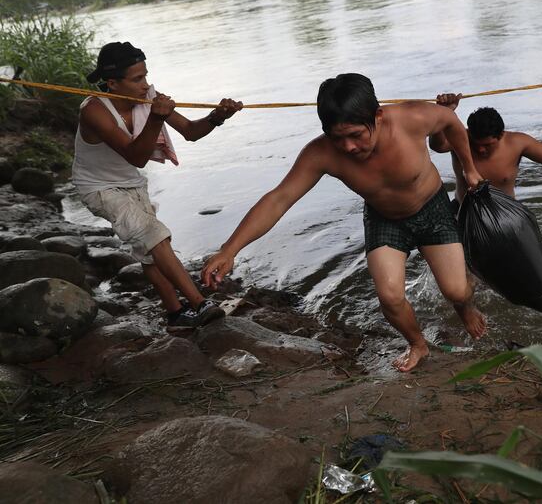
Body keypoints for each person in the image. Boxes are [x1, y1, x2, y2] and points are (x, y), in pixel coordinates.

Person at [202, 73, 487, 372]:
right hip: (384, 218)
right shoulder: (321, 153)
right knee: (390, 296)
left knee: (457, 290)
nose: (349, 147)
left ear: (377, 116)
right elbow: (279, 198)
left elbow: (451, 123)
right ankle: (418, 344)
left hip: (432, 208)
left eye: (356, 135)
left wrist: (468, 169)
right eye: (338, 138)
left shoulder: (412, 118)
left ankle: (465, 308)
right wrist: (229, 250)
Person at [74, 41, 243, 329]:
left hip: (132, 184)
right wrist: (156, 117)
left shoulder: (148, 98)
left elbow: (191, 132)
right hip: (98, 187)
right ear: (113, 83)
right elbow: (137, 156)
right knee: (154, 235)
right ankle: (200, 304)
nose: (145, 85)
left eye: (146, 76)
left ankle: (176, 314)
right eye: (137, 79)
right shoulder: (94, 110)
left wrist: (217, 117)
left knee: (151, 251)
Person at [429, 91, 542, 202]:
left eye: (487, 145)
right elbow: (438, 145)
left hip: (506, 214)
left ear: (501, 135)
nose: (480, 150)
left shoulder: (517, 143)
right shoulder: (461, 138)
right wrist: (442, 113)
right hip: (465, 212)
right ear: (469, 133)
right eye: (476, 144)